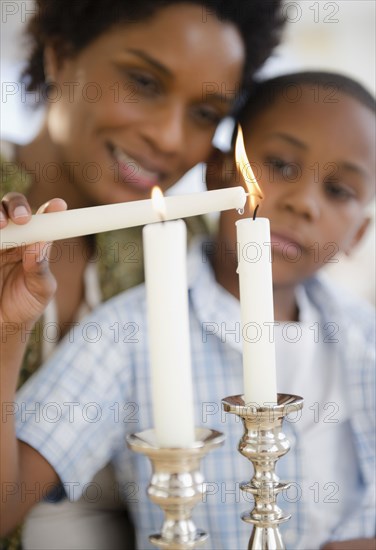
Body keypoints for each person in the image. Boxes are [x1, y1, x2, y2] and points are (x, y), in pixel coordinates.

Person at [2, 70, 374, 549]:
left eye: (339, 191)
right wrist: (6, 329)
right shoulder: (130, 332)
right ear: (218, 171)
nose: (303, 203)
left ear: (359, 236)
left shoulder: (365, 339)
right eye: (280, 165)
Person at [0, 0, 285, 547]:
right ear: (60, 55)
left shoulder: (198, 260)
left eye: (205, 113)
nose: (170, 138)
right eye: (143, 82)